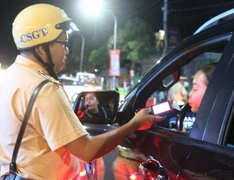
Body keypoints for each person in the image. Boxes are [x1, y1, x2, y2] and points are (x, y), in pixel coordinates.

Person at [0, 4, 164, 180]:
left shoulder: (6, 78)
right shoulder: (44, 88)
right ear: (41, 48)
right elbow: (87, 150)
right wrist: (133, 124)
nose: (67, 50)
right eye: (63, 43)